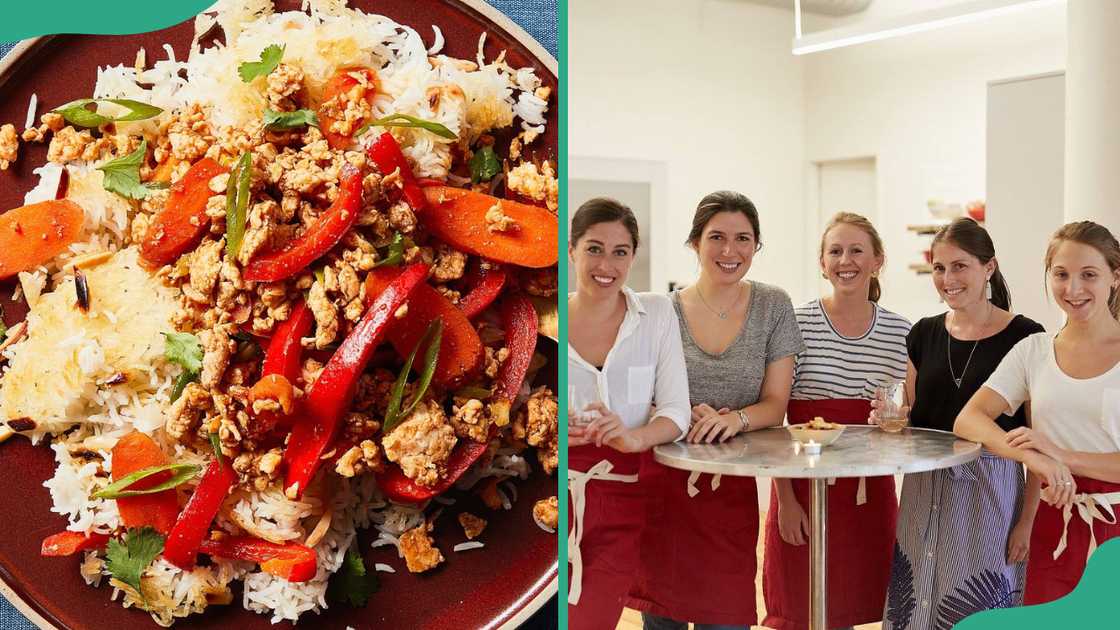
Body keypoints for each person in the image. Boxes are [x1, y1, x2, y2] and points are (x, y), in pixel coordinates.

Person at [628, 191, 805, 629]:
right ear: (695, 243)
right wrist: (682, 414)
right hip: (663, 483)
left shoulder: (774, 306)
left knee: (726, 616)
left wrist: (733, 419)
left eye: (743, 239)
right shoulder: (660, 311)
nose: (730, 251)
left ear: (756, 246)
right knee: (660, 621)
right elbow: (638, 399)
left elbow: (776, 404)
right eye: (717, 238)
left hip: (730, 487)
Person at [876, 218, 1044, 630]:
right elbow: (911, 419)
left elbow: (1037, 441)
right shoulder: (923, 334)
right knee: (915, 604)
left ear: (989, 267)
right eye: (938, 268)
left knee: (980, 605)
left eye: (959, 266)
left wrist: (1026, 521)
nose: (947, 278)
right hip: (922, 489)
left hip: (992, 493)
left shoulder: (1027, 337)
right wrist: (888, 421)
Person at [955, 220, 1120, 605]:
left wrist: (1061, 456)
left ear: (1115, 277)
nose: (1073, 289)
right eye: (1061, 274)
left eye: (1089, 275)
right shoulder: (1034, 351)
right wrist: (1032, 457)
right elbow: (969, 418)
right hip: (1053, 520)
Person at [763, 212, 910, 630]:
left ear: (877, 260)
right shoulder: (795, 322)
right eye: (836, 251)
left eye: (857, 250)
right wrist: (786, 502)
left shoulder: (902, 333)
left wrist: (897, 416)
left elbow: (907, 413)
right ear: (822, 263)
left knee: (857, 609)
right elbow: (776, 417)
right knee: (799, 611)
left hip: (869, 492)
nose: (846, 260)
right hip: (801, 486)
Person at [566, 197, 691, 630]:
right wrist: (553, 436)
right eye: (594, 248)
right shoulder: (547, 320)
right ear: (572, 251)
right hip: (551, 501)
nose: (607, 264)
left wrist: (634, 436)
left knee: (592, 620)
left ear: (634, 256)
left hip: (624, 493)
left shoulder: (656, 313)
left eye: (621, 251)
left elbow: (677, 410)